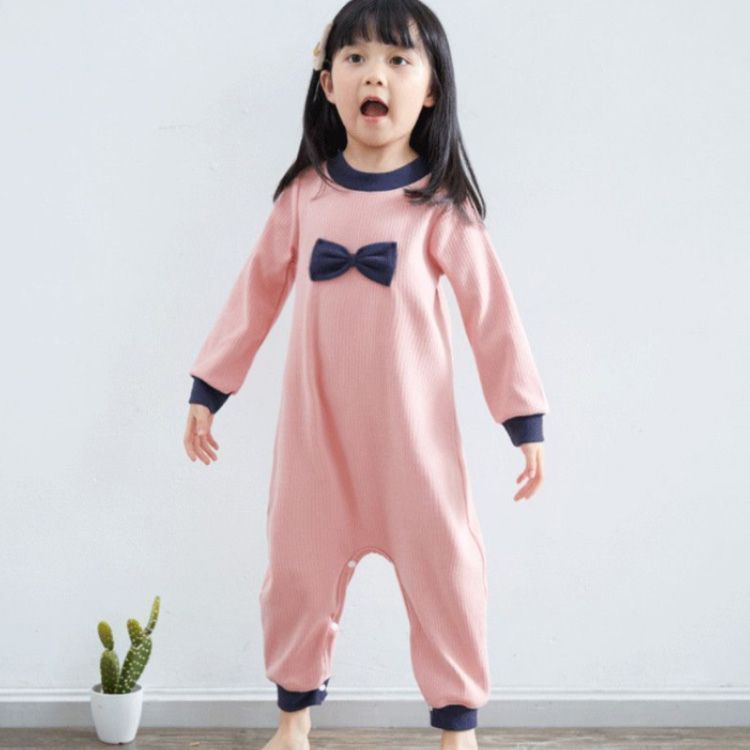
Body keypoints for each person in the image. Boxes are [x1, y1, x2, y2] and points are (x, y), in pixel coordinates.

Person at [183, 1, 550, 748]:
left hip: (416, 448)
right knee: (295, 575)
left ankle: (457, 728)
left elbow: (493, 316)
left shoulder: (441, 208)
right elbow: (253, 295)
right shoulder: (304, 197)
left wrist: (524, 420)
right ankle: (293, 721)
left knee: (449, 572)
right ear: (328, 83)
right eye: (355, 58)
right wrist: (209, 389)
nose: (373, 74)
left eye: (397, 60)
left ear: (431, 89)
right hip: (316, 445)